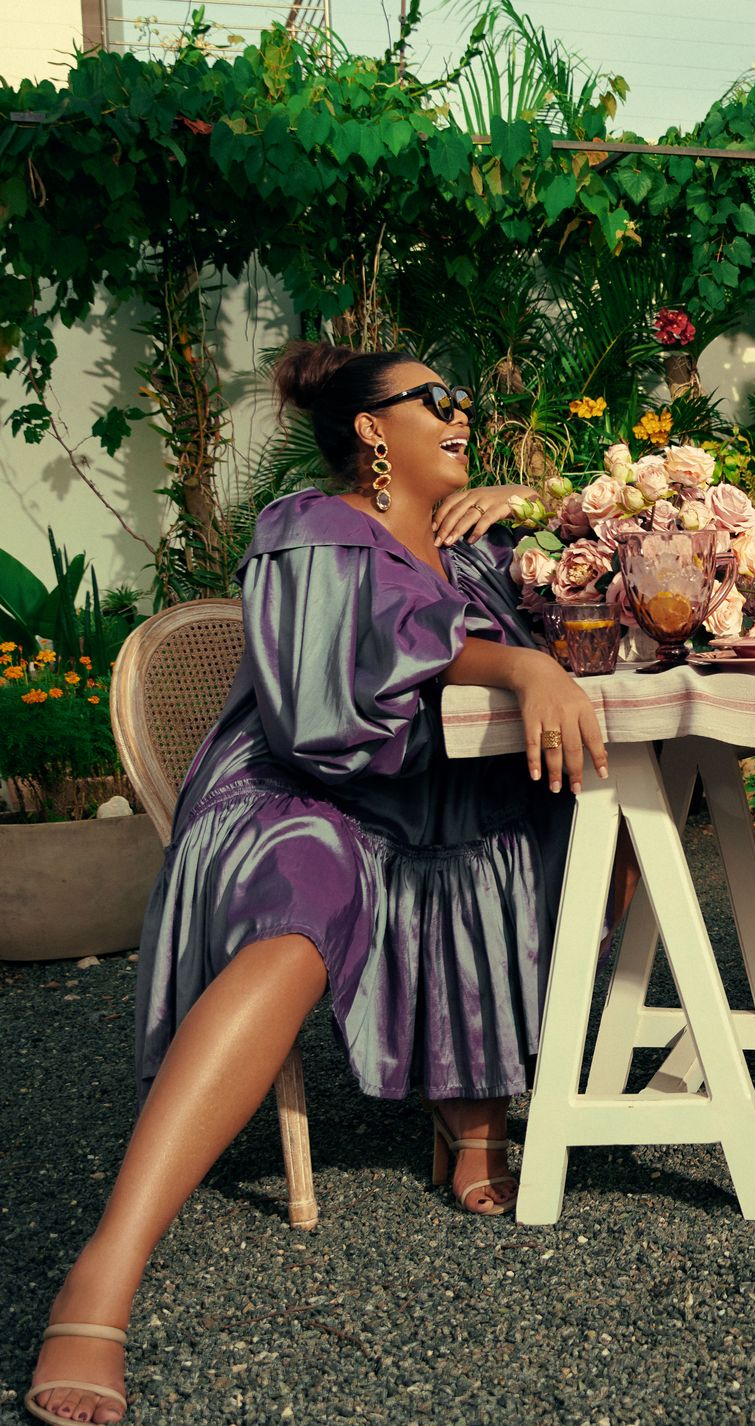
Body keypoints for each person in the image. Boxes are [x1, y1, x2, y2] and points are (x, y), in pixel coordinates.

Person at [26, 342, 601, 1424]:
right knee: (306, 903)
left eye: (462, 397)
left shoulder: (476, 543)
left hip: (427, 794)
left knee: (564, 813)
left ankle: (470, 1101)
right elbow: (343, 684)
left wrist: (538, 500)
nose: (461, 413)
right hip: (293, 788)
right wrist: (515, 664)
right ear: (372, 431)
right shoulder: (310, 530)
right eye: (437, 400)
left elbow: (591, 583)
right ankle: (103, 1268)